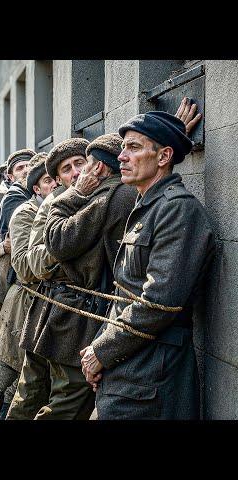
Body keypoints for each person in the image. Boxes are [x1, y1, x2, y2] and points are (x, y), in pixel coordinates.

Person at [81, 108, 216, 420]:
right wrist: (100, 350)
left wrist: (102, 352)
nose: (121, 158)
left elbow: (158, 303)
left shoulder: (176, 210)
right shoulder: (147, 206)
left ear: (163, 156)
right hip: (129, 367)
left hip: (151, 377)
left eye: (134, 148)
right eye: (122, 148)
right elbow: (124, 295)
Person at [6, 138, 93, 420]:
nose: (76, 173)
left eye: (80, 163)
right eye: (66, 170)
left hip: (74, 313)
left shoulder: (105, 194)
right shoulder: (54, 204)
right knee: (36, 394)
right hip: (53, 310)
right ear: (57, 180)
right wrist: (66, 236)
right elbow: (31, 264)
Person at [0, 152, 56, 419]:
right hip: (22, 298)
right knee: (5, 367)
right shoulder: (24, 210)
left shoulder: (57, 206)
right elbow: (25, 266)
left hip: (44, 300)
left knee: (28, 377)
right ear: (36, 188)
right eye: (48, 180)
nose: (54, 185)